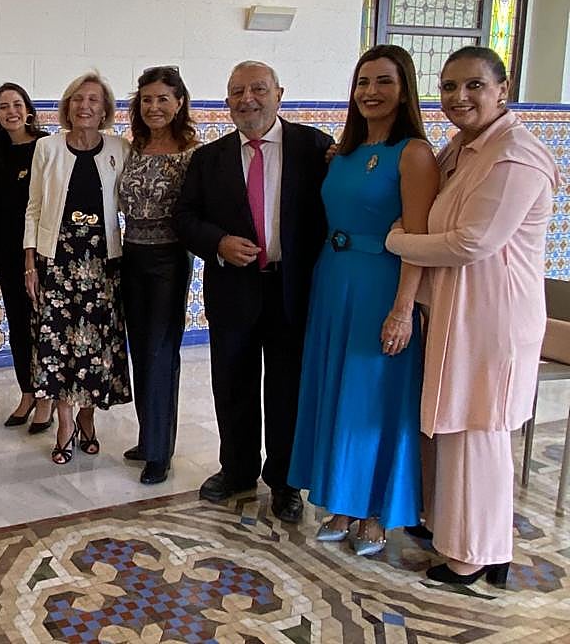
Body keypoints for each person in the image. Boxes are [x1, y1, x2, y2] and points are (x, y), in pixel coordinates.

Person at [385, 46, 557, 586]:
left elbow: (473, 241)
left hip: (493, 315)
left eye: (474, 86)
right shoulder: (462, 149)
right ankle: (457, 531)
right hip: (460, 309)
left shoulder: (514, 157)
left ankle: (477, 553)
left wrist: (398, 241)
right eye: (449, 87)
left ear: (502, 89)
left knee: (478, 427)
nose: (459, 98)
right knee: (453, 424)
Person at [288, 46, 439, 553]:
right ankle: (345, 500)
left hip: (381, 282)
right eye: (362, 83)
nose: (370, 92)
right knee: (340, 392)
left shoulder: (414, 153)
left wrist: (402, 310)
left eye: (384, 82)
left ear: (405, 90)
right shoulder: (345, 152)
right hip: (333, 280)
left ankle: (377, 509)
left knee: (376, 396)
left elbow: (416, 237)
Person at [172, 60, 332, 523]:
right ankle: (237, 469)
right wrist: (217, 242)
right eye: (238, 92)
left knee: (287, 389)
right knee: (233, 383)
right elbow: (184, 218)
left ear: (279, 93)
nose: (248, 100)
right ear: (227, 103)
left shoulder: (314, 148)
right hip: (233, 289)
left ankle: (284, 481)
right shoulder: (209, 158)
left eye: (258, 89)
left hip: (292, 289)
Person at [24, 71, 132, 465]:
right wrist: (29, 263)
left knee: (93, 346)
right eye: (78, 99)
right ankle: (65, 424)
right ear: (67, 106)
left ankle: (88, 418)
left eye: (93, 100)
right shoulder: (47, 148)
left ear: (105, 109)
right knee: (58, 345)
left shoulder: (120, 148)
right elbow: (34, 207)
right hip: (57, 259)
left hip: (102, 263)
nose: (85, 106)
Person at [118, 65, 200, 485]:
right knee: (140, 349)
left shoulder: (192, 153)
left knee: (160, 352)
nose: (154, 107)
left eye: (162, 99)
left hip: (168, 259)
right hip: (131, 255)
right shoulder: (132, 148)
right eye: (147, 99)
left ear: (179, 103)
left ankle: (161, 452)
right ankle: (148, 437)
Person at [0, 82, 50, 432]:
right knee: (17, 327)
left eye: (16, 104)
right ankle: (27, 392)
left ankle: (47, 397)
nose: (11, 111)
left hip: (40, 254)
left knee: (43, 326)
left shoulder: (45, 147)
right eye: (3, 107)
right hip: (8, 254)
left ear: (28, 109)